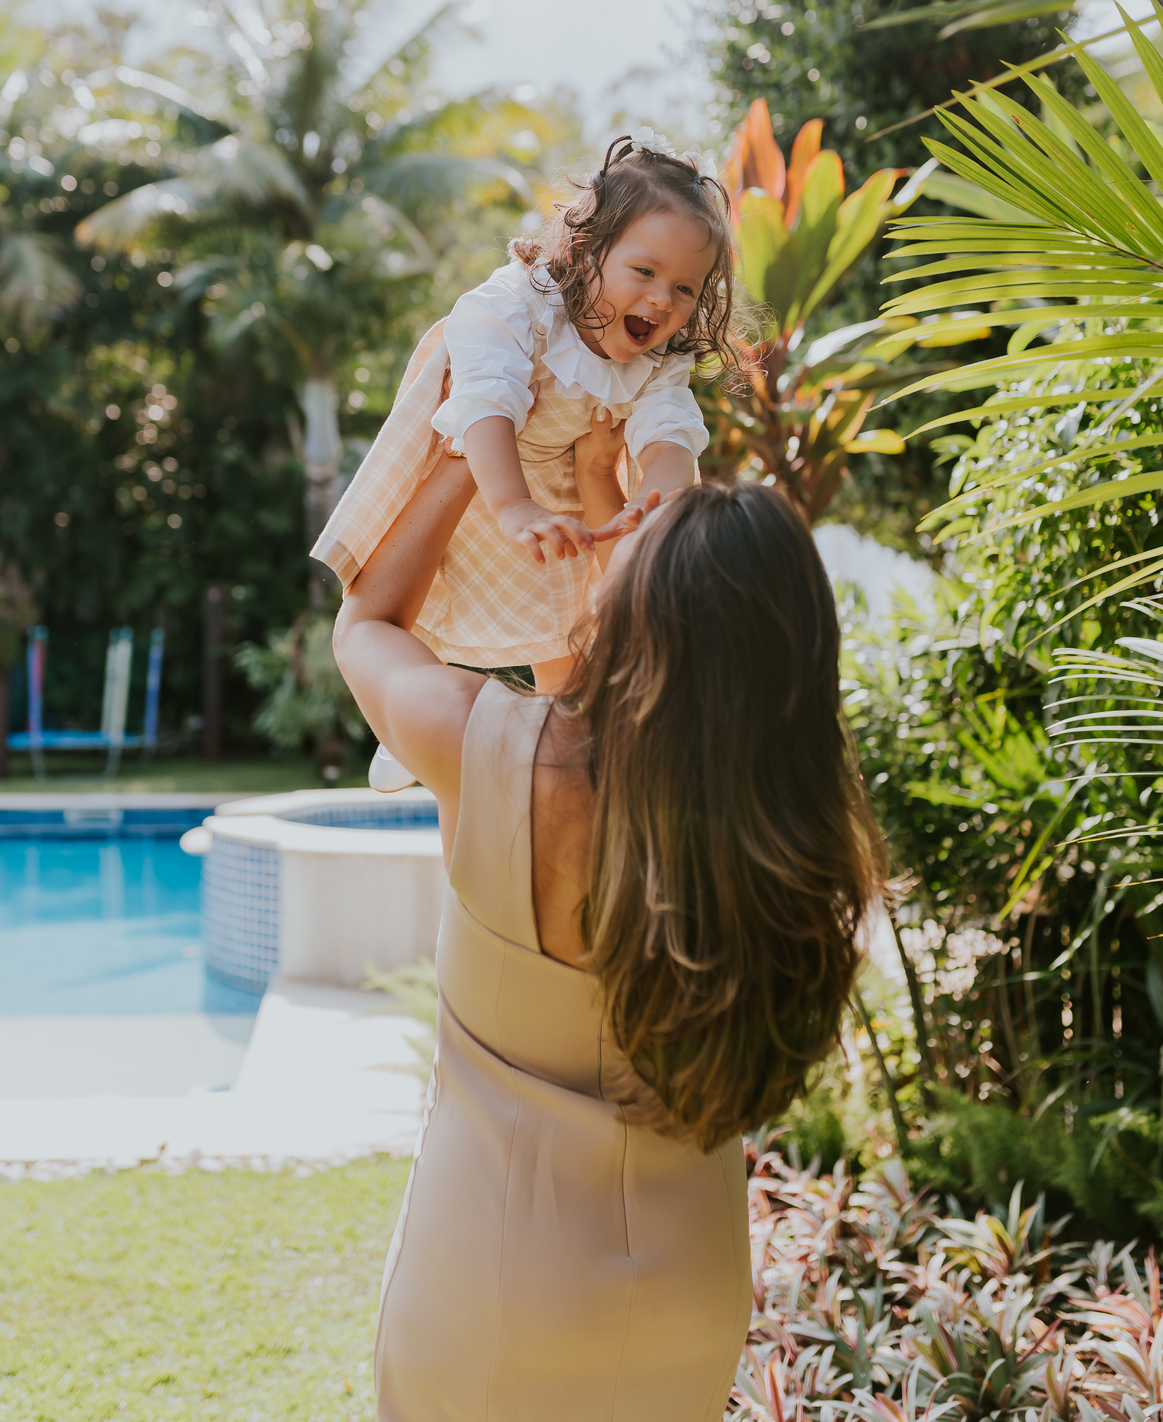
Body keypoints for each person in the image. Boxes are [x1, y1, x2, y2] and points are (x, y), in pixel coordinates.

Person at [332, 438, 886, 1422]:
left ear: (642, 611)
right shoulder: (791, 845)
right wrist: (596, 488)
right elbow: (604, 698)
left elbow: (366, 622)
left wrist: (474, 448)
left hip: (492, 1284)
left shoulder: (490, 749)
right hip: (685, 1289)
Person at [313, 131, 736, 789]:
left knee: (567, 638)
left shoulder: (659, 360)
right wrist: (510, 504)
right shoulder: (521, 305)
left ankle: (560, 764)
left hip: (564, 494)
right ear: (587, 250)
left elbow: (668, 436)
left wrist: (660, 506)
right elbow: (485, 400)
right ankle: (408, 728)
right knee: (425, 596)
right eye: (645, 272)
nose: (662, 301)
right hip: (479, 460)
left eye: (686, 288)